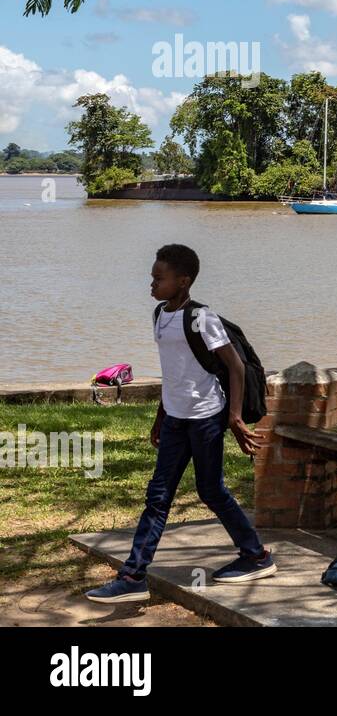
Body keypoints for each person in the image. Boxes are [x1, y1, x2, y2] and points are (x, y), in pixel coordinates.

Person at [86, 244, 276, 604]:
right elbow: (173, 373)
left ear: (183, 281)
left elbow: (235, 367)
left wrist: (234, 417)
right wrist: (161, 417)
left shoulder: (202, 318)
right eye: (152, 277)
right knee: (158, 497)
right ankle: (133, 576)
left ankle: (256, 556)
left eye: (159, 278)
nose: (152, 284)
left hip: (205, 419)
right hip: (175, 420)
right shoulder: (160, 314)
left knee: (211, 491)